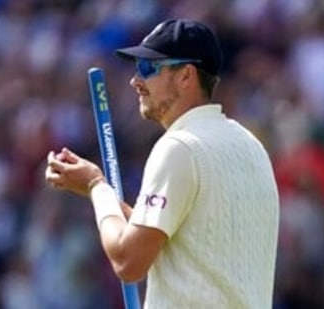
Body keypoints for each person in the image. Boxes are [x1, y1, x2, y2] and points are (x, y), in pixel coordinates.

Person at [45, 18, 280, 308]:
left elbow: (128, 261)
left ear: (186, 75)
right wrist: (99, 190)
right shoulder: (251, 146)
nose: (135, 81)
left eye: (148, 68)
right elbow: (168, 241)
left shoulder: (179, 147)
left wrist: (96, 187)